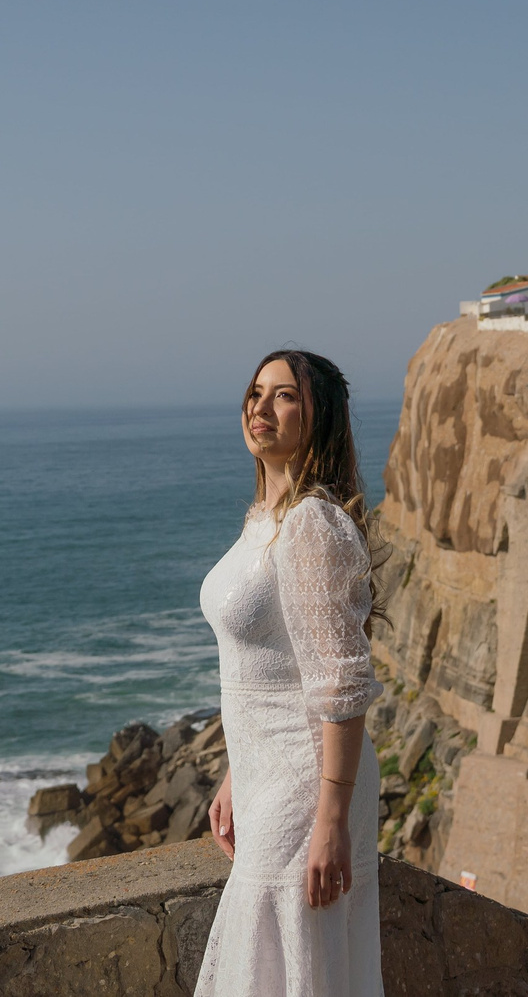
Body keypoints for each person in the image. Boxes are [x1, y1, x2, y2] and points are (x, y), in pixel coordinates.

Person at [197, 350, 382, 997]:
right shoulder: (266, 521)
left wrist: (332, 817)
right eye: (255, 392)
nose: (260, 406)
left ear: (318, 415)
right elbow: (271, 670)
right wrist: (235, 771)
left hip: (307, 786)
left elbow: (341, 684)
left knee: (283, 956)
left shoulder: (311, 524)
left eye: (284, 395)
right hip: (266, 773)